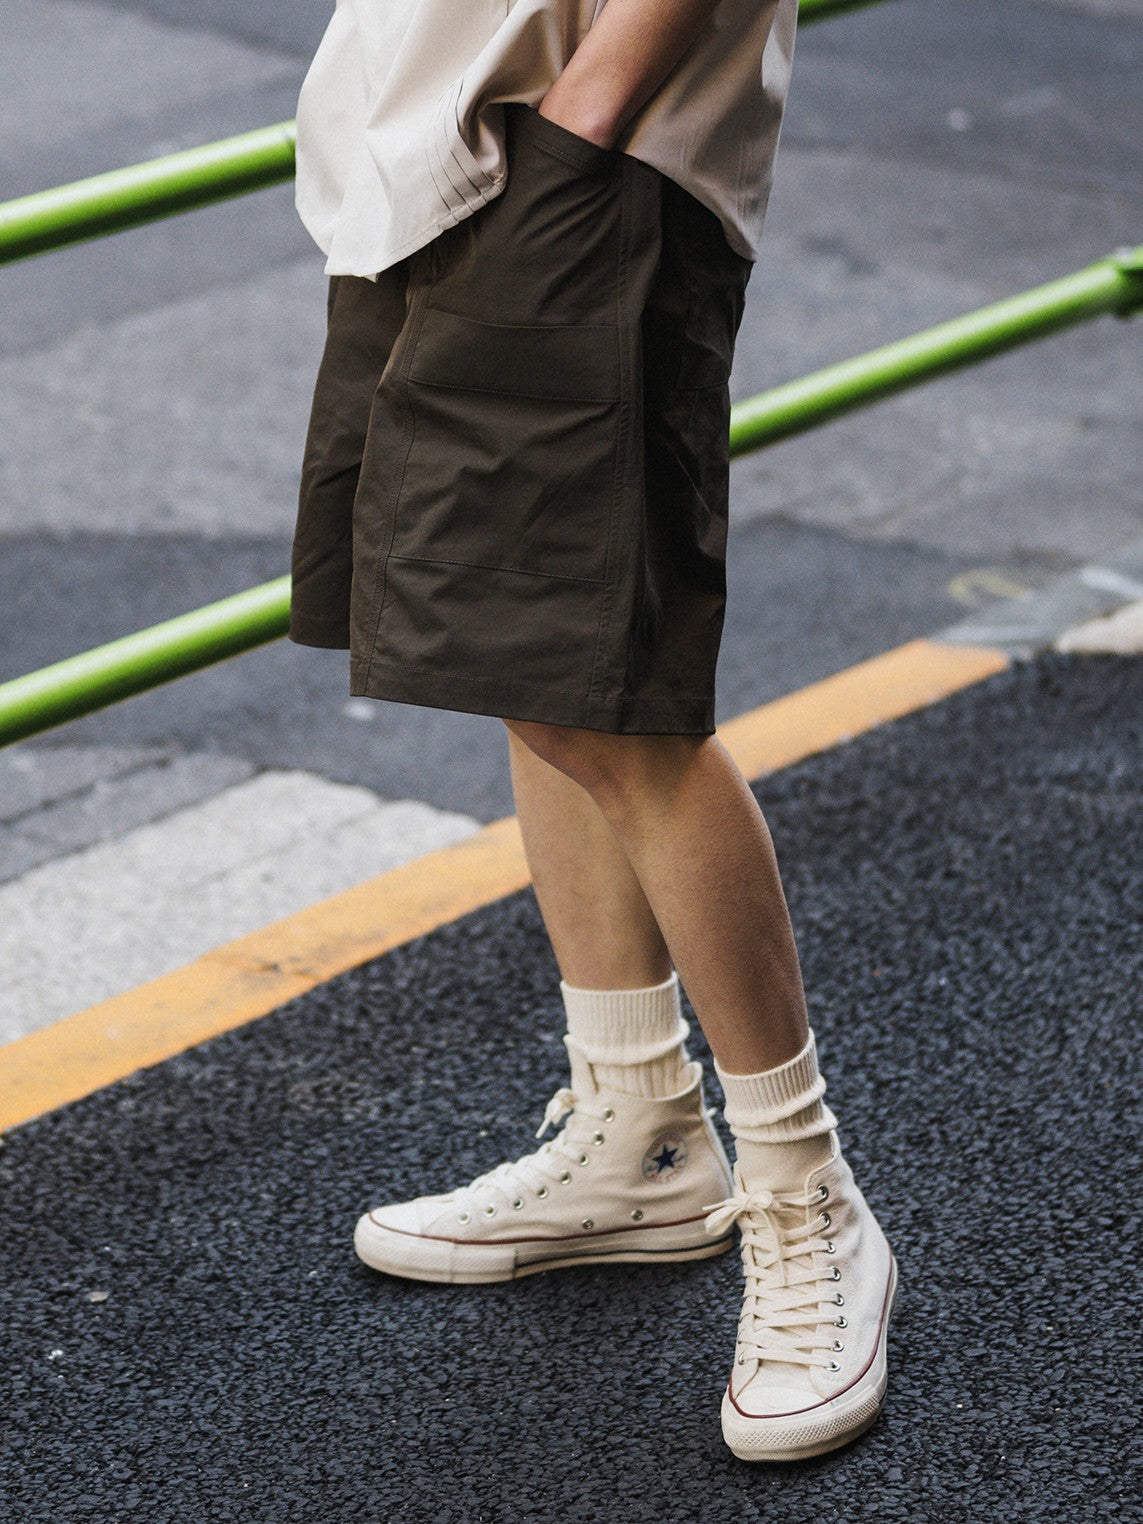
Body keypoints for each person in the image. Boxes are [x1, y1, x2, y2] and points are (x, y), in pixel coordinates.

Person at [289, 0, 895, 1463]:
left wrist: (587, 114)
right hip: (441, 159)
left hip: (570, 153)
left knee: (616, 711)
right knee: (536, 661)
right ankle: (644, 1129)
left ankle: (807, 1197)